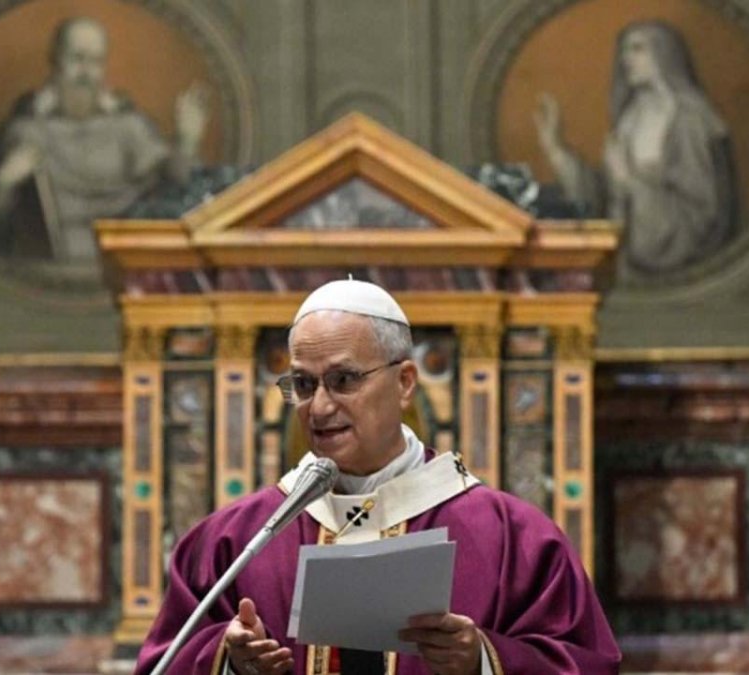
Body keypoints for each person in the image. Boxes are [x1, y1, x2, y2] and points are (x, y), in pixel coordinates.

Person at [134, 279, 620, 674]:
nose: (320, 407)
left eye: (344, 380)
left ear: (405, 382)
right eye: (303, 384)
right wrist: (228, 661)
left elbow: (586, 663)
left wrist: (483, 661)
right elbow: (163, 662)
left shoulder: (514, 538)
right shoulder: (233, 541)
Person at [0, 16, 209, 263]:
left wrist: (187, 140)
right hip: (55, 270)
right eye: (77, 58)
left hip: (127, 259)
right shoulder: (26, 131)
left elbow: (183, 186)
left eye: (95, 61)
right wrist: (2, 185)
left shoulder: (129, 127)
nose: (86, 73)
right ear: (56, 61)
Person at [534, 20, 736, 277]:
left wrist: (632, 183)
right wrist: (554, 148)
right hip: (624, 266)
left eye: (637, 49)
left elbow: (702, 216)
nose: (625, 58)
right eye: (624, 50)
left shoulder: (691, 118)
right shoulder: (630, 117)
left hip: (672, 267)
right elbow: (603, 197)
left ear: (664, 54)